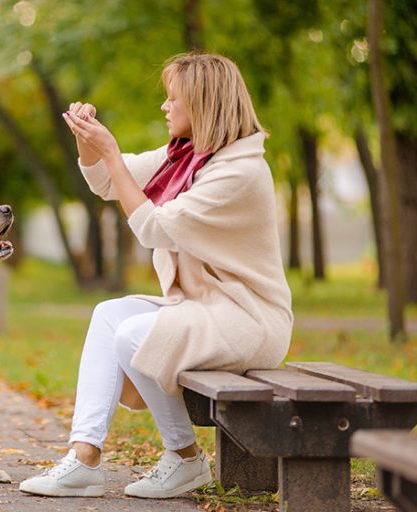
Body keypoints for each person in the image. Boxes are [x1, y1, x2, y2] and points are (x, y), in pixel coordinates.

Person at [18, 52, 293, 499]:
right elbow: (111, 181)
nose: (165, 108)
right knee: (111, 315)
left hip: (250, 319)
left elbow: (155, 228)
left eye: (173, 99)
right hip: (206, 308)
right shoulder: (186, 158)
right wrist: (90, 140)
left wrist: (109, 150)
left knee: (133, 335)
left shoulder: (239, 172)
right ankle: (84, 458)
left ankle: (185, 458)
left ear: (202, 105)